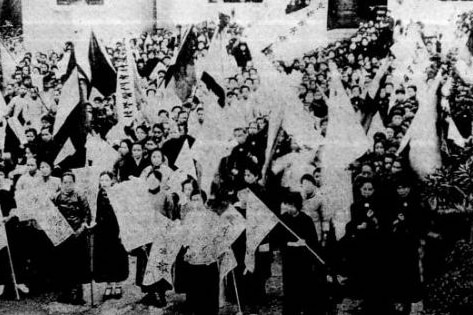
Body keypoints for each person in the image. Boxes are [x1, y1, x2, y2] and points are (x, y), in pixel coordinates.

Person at [344, 177, 390, 315]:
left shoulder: (380, 204)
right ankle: (365, 303)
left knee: (376, 273)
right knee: (363, 272)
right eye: (365, 189)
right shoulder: (355, 205)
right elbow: (352, 224)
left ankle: (377, 304)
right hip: (362, 244)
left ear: (374, 190)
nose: (367, 192)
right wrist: (359, 226)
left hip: (376, 243)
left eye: (370, 189)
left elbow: (383, 224)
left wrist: (373, 220)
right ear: (360, 190)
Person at [134, 169, 175, 307]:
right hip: (146, 235)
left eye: (155, 179)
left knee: (159, 265)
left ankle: (161, 294)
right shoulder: (141, 196)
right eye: (149, 179)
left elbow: (170, 216)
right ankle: (150, 293)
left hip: (161, 236)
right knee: (145, 265)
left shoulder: (166, 196)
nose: (152, 182)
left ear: (159, 181)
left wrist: (168, 234)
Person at [387, 176, 428, 314]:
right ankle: (398, 301)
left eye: (404, 187)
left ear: (410, 188)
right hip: (396, 243)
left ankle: (412, 302)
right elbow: (387, 222)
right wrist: (394, 223)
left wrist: (406, 222)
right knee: (397, 271)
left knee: (410, 271)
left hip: (409, 243)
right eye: (399, 188)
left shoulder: (416, 204)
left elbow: (420, 224)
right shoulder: (393, 203)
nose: (402, 191)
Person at [276, 191, 322, 315]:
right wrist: (293, 244)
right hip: (289, 261)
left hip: (303, 262)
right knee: (290, 291)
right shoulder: (283, 220)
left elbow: (313, 242)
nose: (289, 208)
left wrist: (305, 243)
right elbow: (279, 241)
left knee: (305, 290)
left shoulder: (306, 220)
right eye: (287, 204)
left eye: (292, 205)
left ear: (297, 205)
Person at [52, 172, 91, 305]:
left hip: (77, 233)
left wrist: (81, 229)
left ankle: (77, 294)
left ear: (74, 183)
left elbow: (86, 214)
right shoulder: (57, 196)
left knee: (78, 264)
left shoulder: (80, 195)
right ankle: (65, 292)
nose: (67, 185)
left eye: (70, 182)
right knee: (63, 263)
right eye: (65, 183)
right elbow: (51, 213)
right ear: (61, 183)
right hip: (62, 234)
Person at [181, 190, 220, 315]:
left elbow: (217, 236)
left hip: (208, 257)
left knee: (209, 289)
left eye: (198, 199)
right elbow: (185, 237)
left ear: (204, 200)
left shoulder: (212, 216)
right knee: (194, 289)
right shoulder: (188, 217)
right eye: (193, 200)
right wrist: (187, 248)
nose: (195, 202)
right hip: (193, 258)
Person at [92, 171, 129, 301]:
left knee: (117, 256)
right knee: (105, 257)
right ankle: (108, 284)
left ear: (112, 181)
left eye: (106, 180)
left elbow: (124, 213)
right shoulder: (98, 194)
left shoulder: (118, 193)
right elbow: (96, 212)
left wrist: (123, 230)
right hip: (103, 230)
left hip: (116, 229)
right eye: (101, 180)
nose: (104, 183)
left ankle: (118, 284)